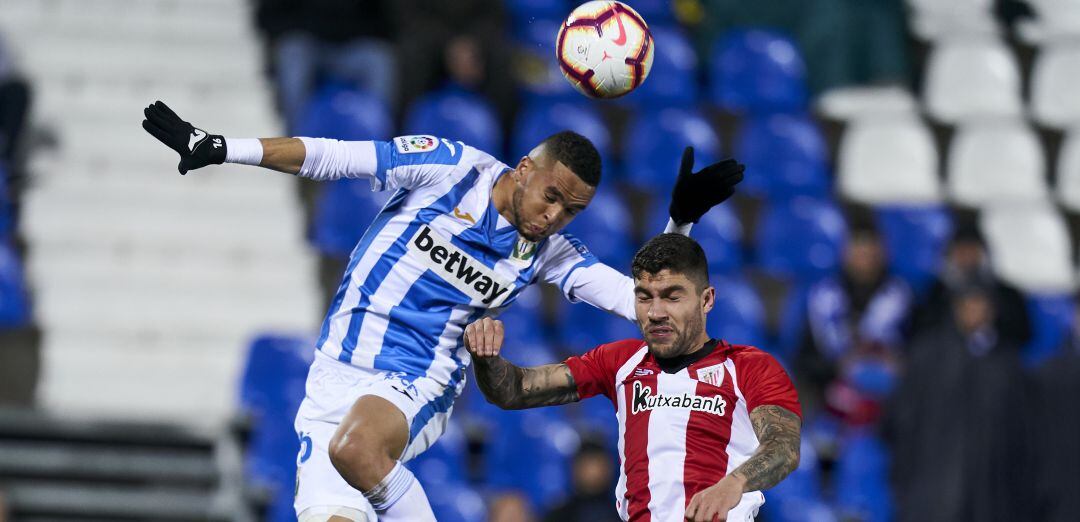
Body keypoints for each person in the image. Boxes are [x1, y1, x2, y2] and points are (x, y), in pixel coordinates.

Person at [140, 102, 744, 522]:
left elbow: (646, 304)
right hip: (331, 376)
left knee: (355, 450)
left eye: (572, 211)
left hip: (414, 383)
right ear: (524, 169)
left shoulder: (551, 253)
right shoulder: (449, 167)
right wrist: (221, 148)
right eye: (552, 197)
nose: (555, 217)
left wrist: (681, 224)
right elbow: (334, 156)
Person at [464, 234, 802, 522]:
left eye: (672, 296)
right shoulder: (621, 362)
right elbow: (514, 390)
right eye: (644, 297)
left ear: (706, 300)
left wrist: (734, 483)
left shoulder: (749, 367)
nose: (655, 313)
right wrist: (485, 357)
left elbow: (784, 447)